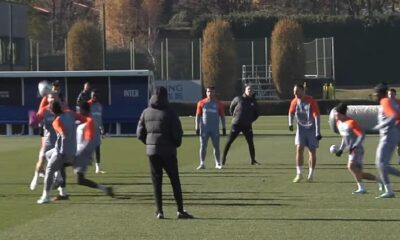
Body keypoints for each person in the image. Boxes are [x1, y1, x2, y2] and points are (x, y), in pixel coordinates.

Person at [137, 86, 193, 219]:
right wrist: (175, 144)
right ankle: (180, 210)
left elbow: (139, 133)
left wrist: (149, 143)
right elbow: (177, 133)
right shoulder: (170, 112)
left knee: (157, 182)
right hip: (168, 151)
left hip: (152, 152)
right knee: (174, 181)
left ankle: (159, 211)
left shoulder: (146, 112)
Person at [37, 101, 85, 204]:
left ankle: (46, 196)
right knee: (47, 154)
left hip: (62, 152)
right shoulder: (70, 113)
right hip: (72, 150)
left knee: (49, 170)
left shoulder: (56, 121)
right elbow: (82, 119)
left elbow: (63, 134)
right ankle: (58, 177)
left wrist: (62, 153)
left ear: (52, 111)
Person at [333, 103, 381, 194]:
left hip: (357, 149)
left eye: (337, 114)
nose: (335, 115)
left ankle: (362, 189)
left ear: (342, 114)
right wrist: (341, 149)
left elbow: (361, 135)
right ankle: (380, 180)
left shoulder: (351, 122)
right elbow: (344, 137)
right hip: (351, 150)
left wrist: (355, 145)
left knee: (350, 166)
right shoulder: (338, 123)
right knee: (359, 173)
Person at [73, 102, 113, 196]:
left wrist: (83, 154)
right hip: (79, 154)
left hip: (81, 156)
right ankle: (105, 189)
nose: (77, 111)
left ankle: (58, 187)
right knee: (80, 180)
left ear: (84, 110)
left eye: (78, 109)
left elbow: (90, 141)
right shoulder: (82, 122)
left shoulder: (89, 122)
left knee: (59, 163)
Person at [288, 83, 322, 183]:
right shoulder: (294, 101)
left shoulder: (311, 101)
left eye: (297, 91)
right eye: (294, 91)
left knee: (312, 152)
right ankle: (299, 174)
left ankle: (311, 175)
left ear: (303, 91)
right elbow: (291, 112)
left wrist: (317, 131)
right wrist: (290, 123)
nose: (295, 93)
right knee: (299, 148)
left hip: (311, 129)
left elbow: (316, 116)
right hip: (301, 129)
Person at [373, 83, 400, 199]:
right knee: (381, 164)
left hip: (389, 136)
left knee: (381, 164)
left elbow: (394, 115)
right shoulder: (387, 101)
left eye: (376, 93)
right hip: (390, 135)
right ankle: (388, 190)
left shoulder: (385, 101)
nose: (375, 95)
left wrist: (381, 125)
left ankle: (389, 191)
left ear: (381, 93)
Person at [222, 84, 260, 165]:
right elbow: (231, 108)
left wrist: (250, 120)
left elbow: (257, 114)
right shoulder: (238, 99)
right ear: (245, 90)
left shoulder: (253, 101)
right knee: (229, 141)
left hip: (247, 125)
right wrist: (235, 117)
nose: (250, 91)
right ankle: (223, 159)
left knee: (250, 142)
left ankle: (253, 160)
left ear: (253, 91)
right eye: (248, 89)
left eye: (251, 89)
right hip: (236, 124)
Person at [195, 87, 226, 170]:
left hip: (215, 129)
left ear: (214, 93)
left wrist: (224, 128)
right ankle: (202, 163)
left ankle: (217, 163)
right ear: (206, 92)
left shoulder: (218, 103)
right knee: (203, 146)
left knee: (216, 146)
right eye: (208, 91)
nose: (210, 93)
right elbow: (198, 116)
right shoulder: (201, 103)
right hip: (204, 128)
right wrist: (197, 127)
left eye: (212, 92)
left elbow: (222, 116)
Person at [88, 89, 105, 173]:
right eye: (93, 95)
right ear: (91, 95)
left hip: (96, 131)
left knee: (97, 149)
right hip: (88, 130)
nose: (94, 96)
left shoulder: (99, 106)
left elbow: (99, 118)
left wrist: (102, 128)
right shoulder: (88, 104)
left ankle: (98, 167)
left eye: (95, 95)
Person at [388, 88, 400, 164]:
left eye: (392, 94)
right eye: (389, 94)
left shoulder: (398, 103)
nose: (390, 96)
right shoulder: (386, 104)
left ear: (395, 95)